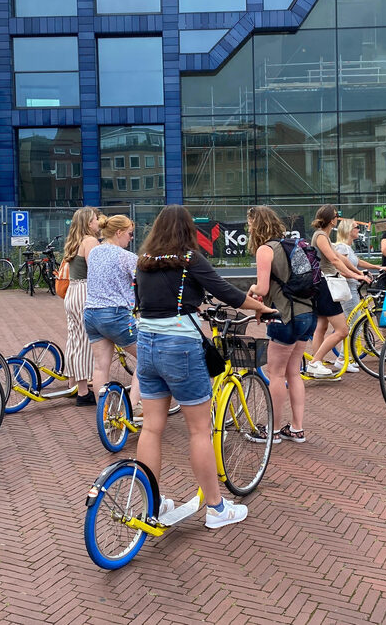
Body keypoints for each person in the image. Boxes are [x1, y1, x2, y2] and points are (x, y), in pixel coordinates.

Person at [134, 205, 276, 528]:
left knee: (152, 428)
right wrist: (261, 307)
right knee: (199, 430)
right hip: (179, 346)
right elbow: (228, 293)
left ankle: (151, 503)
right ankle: (215, 508)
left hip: (147, 345)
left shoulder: (143, 262)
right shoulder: (188, 260)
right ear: (187, 231)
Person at [246, 205, 317, 442]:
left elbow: (263, 288)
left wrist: (252, 289)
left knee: (275, 373)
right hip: (307, 313)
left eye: (250, 224)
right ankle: (296, 428)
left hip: (284, 315)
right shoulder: (292, 245)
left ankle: (273, 430)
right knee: (294, 372)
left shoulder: (265, 250)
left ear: (256, 226)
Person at [83, 214, 141, 411]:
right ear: (119, 232)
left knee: (100, 366)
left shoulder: (95, 253)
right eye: (130, 234)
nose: (131, 238)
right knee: (146, 359)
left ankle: (105, 413)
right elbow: (145, 279)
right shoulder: (126, 257)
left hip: (91, 314)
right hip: (115, 314)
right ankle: (132, 408)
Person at [307, 204, 368, 378]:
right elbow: (334, 260)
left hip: (321, 284)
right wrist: (354, 276)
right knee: (342, 330)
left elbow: (341, 257)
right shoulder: (320, 236)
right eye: (336, 215)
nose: (337, 218)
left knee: (322, 326)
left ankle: (316, 365)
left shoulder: (324, 236)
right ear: (331, 219)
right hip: (326, 285)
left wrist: (358, 272)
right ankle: (315, 362)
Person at [333, 219, 386, 371]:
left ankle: (347, 357)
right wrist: (355, 276)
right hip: (347, 289)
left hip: (352, 288)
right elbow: (339, 268)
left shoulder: (348, 248)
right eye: (356, 227)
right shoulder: (341, 247)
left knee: (353, 322)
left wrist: (376, 267)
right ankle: (343, 358)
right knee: (353, 323)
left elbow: (357, 262)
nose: (359, 230)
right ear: (348, 230)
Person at [62, 207, 101, 406]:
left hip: (72, 292)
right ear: (88, 223)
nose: (98, 222)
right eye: (95, 219)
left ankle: (73, 383)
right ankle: (84, 392)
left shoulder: (73, 241)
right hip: (85, 291)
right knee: (86, 342)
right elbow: (95, 271)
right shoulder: (90, 241)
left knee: (74, 339)